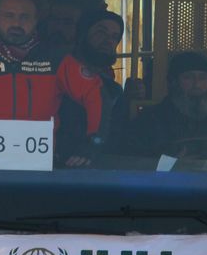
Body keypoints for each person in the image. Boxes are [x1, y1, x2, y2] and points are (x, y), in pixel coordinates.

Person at [0, 0, 101, 164]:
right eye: (9, 16)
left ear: (36, 22)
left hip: (43, 168)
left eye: (24, 17)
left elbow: (96, 93)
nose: (16, 23)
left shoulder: (56, 60)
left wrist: (92, 143)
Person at [123, 51, 207, 160]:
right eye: (188, 77)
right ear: (173, 82)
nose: (197, 84)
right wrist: (167, 162)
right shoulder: (150, 120)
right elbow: (131, 161)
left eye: (202, 78)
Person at [57, 10, 145, 165]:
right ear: (83, 34)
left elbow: (116, 139)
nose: (108, 41)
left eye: (114, 37)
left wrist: (128, 100)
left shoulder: (113, 90)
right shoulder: (55, 73)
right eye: (101, 32)